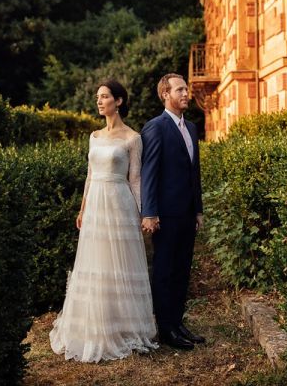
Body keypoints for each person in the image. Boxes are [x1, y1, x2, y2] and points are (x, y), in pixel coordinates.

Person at [49, 79, 157, 362]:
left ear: (118, 101)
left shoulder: (133, 138)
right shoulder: (94, 136)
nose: (99, 101)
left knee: (117, 263)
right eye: (98, 97)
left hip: (119, 205)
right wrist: (82, 209)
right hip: (95, 204)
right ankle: (93, 325)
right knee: (96, 261)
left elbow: (135, 179)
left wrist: (142, 212)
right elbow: (89, 175)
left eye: (105, 96)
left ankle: (122, 327)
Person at [140, 73, 206, 351]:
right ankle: (165, 328)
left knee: (182, 270)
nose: (186, 93)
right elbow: (149, 173)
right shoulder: (155, 127)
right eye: (180, 89)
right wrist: (150, 212)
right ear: (165, 94)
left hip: (187, 213)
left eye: (186, 89)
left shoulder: (190, 127)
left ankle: (178, 323)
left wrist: (199, 210)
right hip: (165, 215)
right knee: (165, 271)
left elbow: (195, 173)